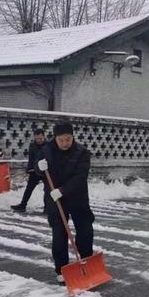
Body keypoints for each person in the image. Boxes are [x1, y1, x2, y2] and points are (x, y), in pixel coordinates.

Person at [35, 122, 94, 285]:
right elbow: (37, 170)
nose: (65, 143)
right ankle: (61, 269)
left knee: (85, 231)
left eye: (68, 139)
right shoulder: (46, 150)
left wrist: (62, 190)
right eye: (61, 140)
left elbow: (80, 177)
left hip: (78, 197)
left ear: (73, 136)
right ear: (55, 138)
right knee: (59, 233)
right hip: (55, 200)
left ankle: (87, 262)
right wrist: (39, 168)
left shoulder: (82, 152)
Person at [11, 128, 47, 213]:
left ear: (44, 137)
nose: (39, 140)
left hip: (46, 171)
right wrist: (29, 168)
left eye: (40, 138)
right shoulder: (32, 146)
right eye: (37, 138)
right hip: (34, 171)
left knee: (47, 190)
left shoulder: (49, 146)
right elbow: (31, 158)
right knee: (29, 189)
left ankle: (47, 208)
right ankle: (22, 205)